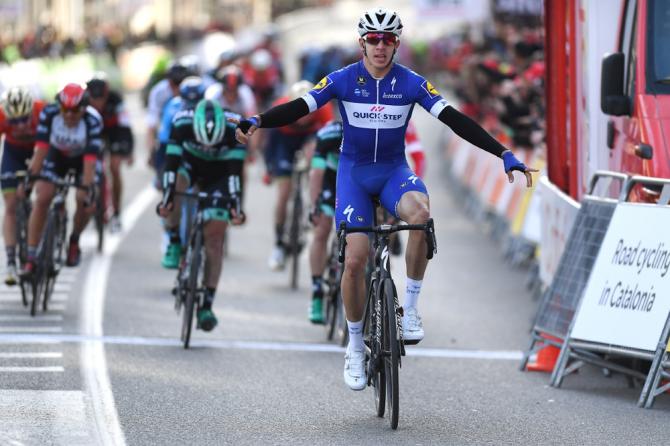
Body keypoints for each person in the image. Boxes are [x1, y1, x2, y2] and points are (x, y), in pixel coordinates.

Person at [233, 7, 537, 391]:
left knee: (421, 215)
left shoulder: (411, 83)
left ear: (397, 43)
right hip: (354, 174)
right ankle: (356, 346)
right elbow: (300, 107)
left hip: (393, 171)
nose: (380, 46)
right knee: (356, 259)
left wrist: (503, 153)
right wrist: (258, 120)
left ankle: (409, 311)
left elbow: (455, 119)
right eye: (373, 39)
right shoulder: (343, 79)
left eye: (388, 39)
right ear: (362, 43)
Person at [307, 118, 425, 323]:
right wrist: (315, 206)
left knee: (383, 222)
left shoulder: (381, 134)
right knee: (322, 228)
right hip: (332, 184)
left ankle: (379, 273)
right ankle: (317, 292)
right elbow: (316, 173)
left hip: (369, 182)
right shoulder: (329, 133)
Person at [157, 99, 246, 331]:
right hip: (189, 166)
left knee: (215, 241)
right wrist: (167, 201)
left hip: (219, 174)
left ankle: (206, 305)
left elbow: (236, 176)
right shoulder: (182, 122)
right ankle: (175, 240)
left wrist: (235, 207)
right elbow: (170, 166)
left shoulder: (236, 127)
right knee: (174, 188)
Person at [22, 83, 102, 275]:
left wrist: (88, 189)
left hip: (82, 160)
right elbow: (40, 149)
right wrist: (31, 179)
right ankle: (31, 257)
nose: (69, 115)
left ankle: (74, 240)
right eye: (65, 109)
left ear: (83, 108)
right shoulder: (49, 114)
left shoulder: (93, 121)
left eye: (74, 111)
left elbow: (90, 161)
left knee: (85, 199)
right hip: (56, 156)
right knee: (42, 198)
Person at [263, 80, 334, 271]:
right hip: (284, 143)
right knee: (284, 192)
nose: (304, 117)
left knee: (313, 160)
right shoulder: (281, 108)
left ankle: (310, 210)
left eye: (308, 111)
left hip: (310, 138)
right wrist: (269, 169)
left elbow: (329, 138)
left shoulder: (324, 110)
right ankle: (279, 243)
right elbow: (269, 145)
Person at [0, 87, 46, 284]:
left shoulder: (42, 112)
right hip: (13, 154)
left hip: (39, 151)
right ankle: (11, 261)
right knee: (10, 206)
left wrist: (33, 177)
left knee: (41, 196)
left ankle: (42, 238)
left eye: (24, 120)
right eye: (14, 121)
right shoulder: (1, 116)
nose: (19, 126)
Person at [86, 73, 134, 233]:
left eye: (101, 98)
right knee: (92, 167)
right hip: (94, 132)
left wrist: (129, 151)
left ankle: (117, 212)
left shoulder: (116, 100)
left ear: (107, 95)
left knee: (114, 167)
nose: (98, 102)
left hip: (114, 132)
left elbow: (126, 126)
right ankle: (97, 206)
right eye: (94, 98)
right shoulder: (84, 102)